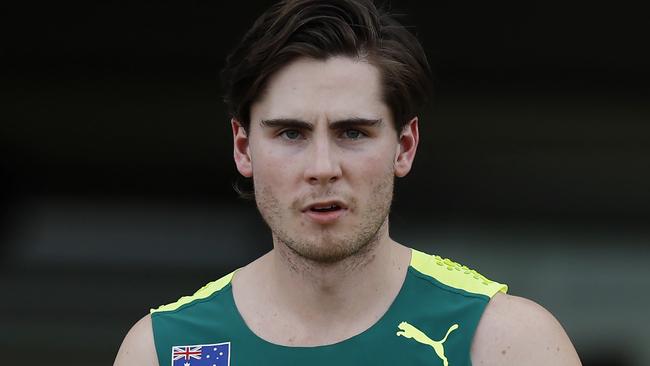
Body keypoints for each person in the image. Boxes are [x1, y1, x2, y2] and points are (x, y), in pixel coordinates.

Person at [114, 0, 582, 365]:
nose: (322, 167)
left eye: (353, 132)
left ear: (404, 147)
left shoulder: (506, 343)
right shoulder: (163, 350)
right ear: (243, 148)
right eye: (291, 133)